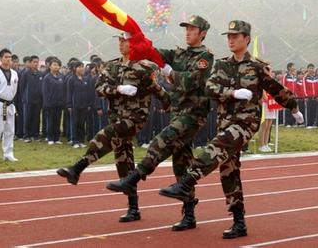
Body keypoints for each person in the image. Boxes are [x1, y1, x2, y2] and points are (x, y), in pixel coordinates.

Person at [158, 20, 303, 239]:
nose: (231, 40)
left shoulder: (256, 67)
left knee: (218, 145)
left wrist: (293, 107)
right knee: (228, 170)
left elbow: (276, 88)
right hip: (226, 122)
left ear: (246, 39)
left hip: (246, 124)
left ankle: (187, 182)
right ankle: (239, 221)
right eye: (229, 36)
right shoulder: (222, 65)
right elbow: (210, 88)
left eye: (236, 36)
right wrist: (232, 93)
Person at [106, 15, 214, 231]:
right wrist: (136, 39)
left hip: (193, 115)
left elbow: (190, 81)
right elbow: (154, 53)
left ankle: (134, 177)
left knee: (161, 140)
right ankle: (189, 215)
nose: (187, 32)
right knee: (181, 163)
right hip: (178, 113)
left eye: (192, 29)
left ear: (202, 33)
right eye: (186, 29)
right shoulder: (179, 53)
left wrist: (169, 71)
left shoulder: (205, 57)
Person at [57, 33, 170, 222]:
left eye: (124, 41)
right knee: (124, 161)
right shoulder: (112, 66)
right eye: (119, 41)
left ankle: (77, 169)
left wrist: (169, 104)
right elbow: (99, 88)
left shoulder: (145, 67)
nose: (120, 44)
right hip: (117, 117)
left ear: (133, 44)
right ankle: (134, 208)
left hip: (134, 119)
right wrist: (117, 89)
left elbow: (158, 90)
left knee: (106, 135)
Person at [20, 55, 43, 142]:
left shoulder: (40, 74)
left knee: (36, 118)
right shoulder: (25, 73)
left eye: (37, 62)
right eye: (34, 62)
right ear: (30, 63)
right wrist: (24, 97)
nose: (36, 64)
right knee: (27, 118)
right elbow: (22, 86)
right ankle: (26, 136)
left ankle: (35, 135)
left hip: (37, 100)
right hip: (28, 99)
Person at [42, 58, 65, 145]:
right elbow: (45, 92)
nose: (56, 67)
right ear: (50, 66)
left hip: (59, 103)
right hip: (50, 104)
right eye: (54, 65)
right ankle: (50, 137)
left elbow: (63, 90)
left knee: (57, 121)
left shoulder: (61, 77)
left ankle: (57, 138)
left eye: (58, 65)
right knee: (50, 121)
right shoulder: (47, 77)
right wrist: (47, 103)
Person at [302, 63, 318, 128]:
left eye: (312, 68)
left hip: (314, 97)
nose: (311, 70)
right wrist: (306, 96)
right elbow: (304, 87)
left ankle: (312, 123)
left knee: (314, 110)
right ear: (307, 69)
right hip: (308, 97)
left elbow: (316, 87)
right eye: (310, 68)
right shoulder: (305, 77)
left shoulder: (315, 77)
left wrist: (317, 96)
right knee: (308, 110)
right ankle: (308, 124)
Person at [281, 62, 297, 127]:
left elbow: (295, 86)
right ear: (289, 68)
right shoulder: (285, 76)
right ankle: (287, 123)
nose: (294, 67)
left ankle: (292, 122)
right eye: (293, 66)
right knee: (287, 109)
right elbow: (283, 86)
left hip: (293, 96)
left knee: (293, 109)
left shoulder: (294, 76)